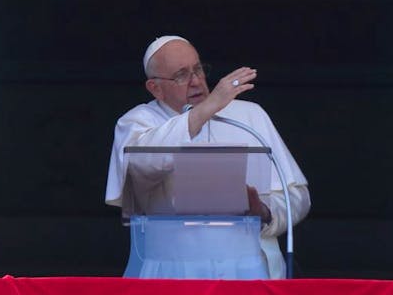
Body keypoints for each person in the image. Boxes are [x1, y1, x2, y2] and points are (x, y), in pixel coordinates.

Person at [105, 35, 310, 279]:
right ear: (155, 88)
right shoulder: (136, 123)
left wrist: (264, 211)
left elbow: (297, 196)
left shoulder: (250, 117)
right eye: (181, 75)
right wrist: (205, 110)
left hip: (246, 270)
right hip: (171, 273)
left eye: (198, 69)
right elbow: (143, 163)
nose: (196, 81)